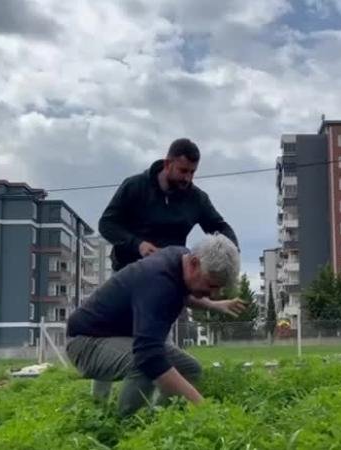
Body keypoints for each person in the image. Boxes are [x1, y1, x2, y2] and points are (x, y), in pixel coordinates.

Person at [66, 234, 242, 417]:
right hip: (84, 342)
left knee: (190, 369)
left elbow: (184, 293)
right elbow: (149, 357)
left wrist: (214, 305)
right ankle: (126, 425)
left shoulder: (181, 257)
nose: (214, 294)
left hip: (118, 336)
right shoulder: (158, 281)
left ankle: (159, 419)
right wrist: (205, 409)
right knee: (145, 365)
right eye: (211, 285)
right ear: (194, 263)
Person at [99, 137, 239, 272]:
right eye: (183, 171)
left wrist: (232, 252)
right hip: (128, 271)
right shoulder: (134, 186)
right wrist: (138, 245)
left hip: (169, 273)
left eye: (192, 172)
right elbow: (107, 224)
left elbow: (219, 227)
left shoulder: (197, 199)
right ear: (167, 164)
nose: (187, 178)